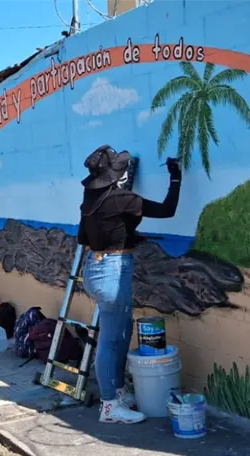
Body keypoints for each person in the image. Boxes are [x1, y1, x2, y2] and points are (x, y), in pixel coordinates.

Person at [77, 145, 182, 424]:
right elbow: (167, 210)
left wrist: (126, 236)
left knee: (122, 333)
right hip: (112, 273)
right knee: (110, 340)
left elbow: (85, 237)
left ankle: (118, 393)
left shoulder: (90, 198)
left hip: (95, 268)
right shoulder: (122, 198)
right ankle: (109, 406)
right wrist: (176, 177)